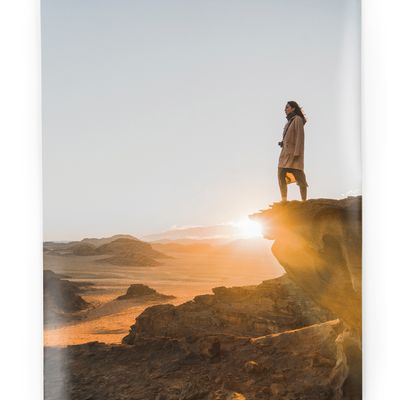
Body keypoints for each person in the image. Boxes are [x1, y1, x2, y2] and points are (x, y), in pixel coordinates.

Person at [277, 101, 308, 202]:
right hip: (285, 154)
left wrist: (297, 153)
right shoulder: (288, 122)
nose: (285, 109)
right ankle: (284, 199)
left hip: (294, 154)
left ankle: (304, 201)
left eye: (287, 107)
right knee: (281, 174)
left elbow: (300, 137)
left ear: (293, 108)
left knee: (300, 177)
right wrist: (283, 142)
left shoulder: (297, 119)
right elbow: (290, 137)